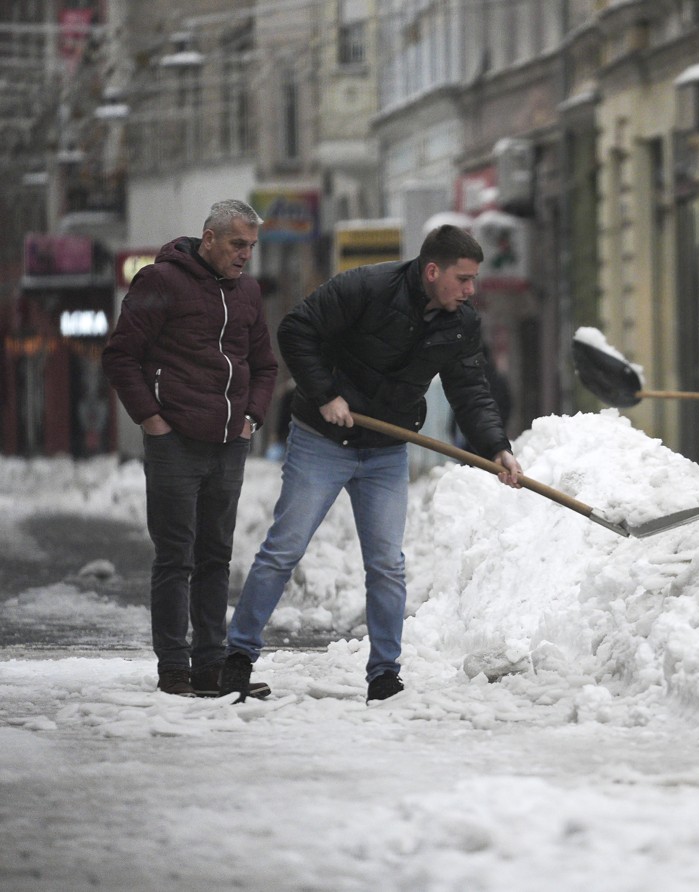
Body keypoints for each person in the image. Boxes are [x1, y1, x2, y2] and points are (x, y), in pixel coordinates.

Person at [219, 224, 523, 703]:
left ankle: (384, 674)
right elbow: (296, 330)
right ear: (431, 270)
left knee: (386, 565)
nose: (470, 290)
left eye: (473, 280)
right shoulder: (366, 287)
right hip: (322, 439)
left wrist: (496, 447)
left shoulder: (461, 321)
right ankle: (237, 656)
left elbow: (471, 389)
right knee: (285, 548)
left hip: (384, 447)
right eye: (463, 279)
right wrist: (324, 395)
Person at [101, 199, 278, 697]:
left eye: (252, 246)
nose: (246, 255)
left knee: (216, 556)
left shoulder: (247, 292)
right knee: (176, 556)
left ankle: (210, 665)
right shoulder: (161, 282)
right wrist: (151, 420)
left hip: (228, 444)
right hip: (174, 441)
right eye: (238, 244)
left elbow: (264, 365)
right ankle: (174, 667)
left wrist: (251, 417)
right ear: (209, 239)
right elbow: (120, 356)